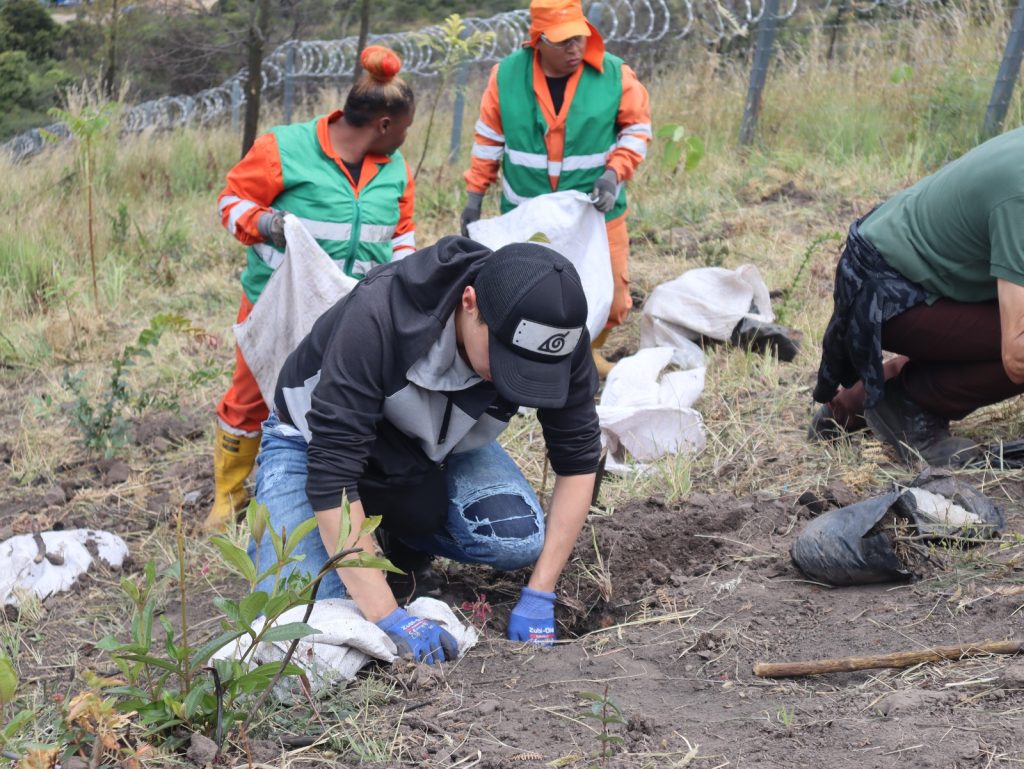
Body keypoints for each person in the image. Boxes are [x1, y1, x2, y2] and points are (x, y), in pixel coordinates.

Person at [250, 237, 601, 662]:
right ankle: (364, 542)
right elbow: (333, 477)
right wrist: (388, 616)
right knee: (303, 619)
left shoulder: (556, 341)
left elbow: (578, 461)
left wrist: (540, 592)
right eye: (506, 360)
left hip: (433, 448)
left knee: (515, 537)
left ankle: (400, 540)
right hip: (311, 448)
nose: (513, 380)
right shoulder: (381, 316)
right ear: (469, 303)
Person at [207, 46, 417, 531]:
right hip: (275, 304)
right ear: (383, 124)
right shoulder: (284, 148)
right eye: (404, 127)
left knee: (341, 397)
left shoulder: (395, 168)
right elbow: (230, 202)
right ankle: (228, 494)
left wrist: (404, 282)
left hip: (351, 310)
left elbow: (401, 233)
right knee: (251, 394)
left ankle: (326, 486)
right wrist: (266, 222)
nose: (406, 138)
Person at [810, 127, 1024, 466]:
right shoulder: (1020, 193)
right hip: (885, 290)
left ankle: (858, 402)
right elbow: (1016, 353)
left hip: (925, 276)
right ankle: (912, 406)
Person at [460, 0, 651, 378]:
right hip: (529, 216)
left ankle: (588, 352)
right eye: (563, 42)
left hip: (595, 212)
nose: (575, 48)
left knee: (611, 300)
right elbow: (488, 140)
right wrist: (474, 197)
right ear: (538, 41)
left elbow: (637, 129)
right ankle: (535, 364)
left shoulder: (614, 75)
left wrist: (614, 174)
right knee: (527, 295)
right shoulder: (506, 77)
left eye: (579, 37)